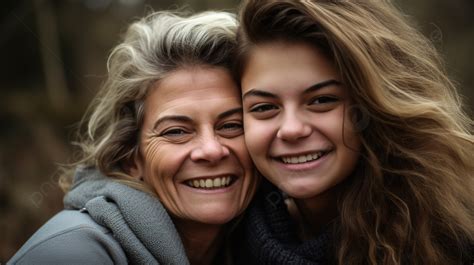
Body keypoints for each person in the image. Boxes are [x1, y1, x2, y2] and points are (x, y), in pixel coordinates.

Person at [233, 0, 474, 264]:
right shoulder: (221, 240)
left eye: (322, 100)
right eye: (264, 107)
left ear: (372, 105)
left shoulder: (454, 234)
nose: (291, 129)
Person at [9, 10, 257, 265]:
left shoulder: (264, 245)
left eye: (231, 125)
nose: (212, 150)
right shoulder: (73, 253)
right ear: (131, 157)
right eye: (176, 132)